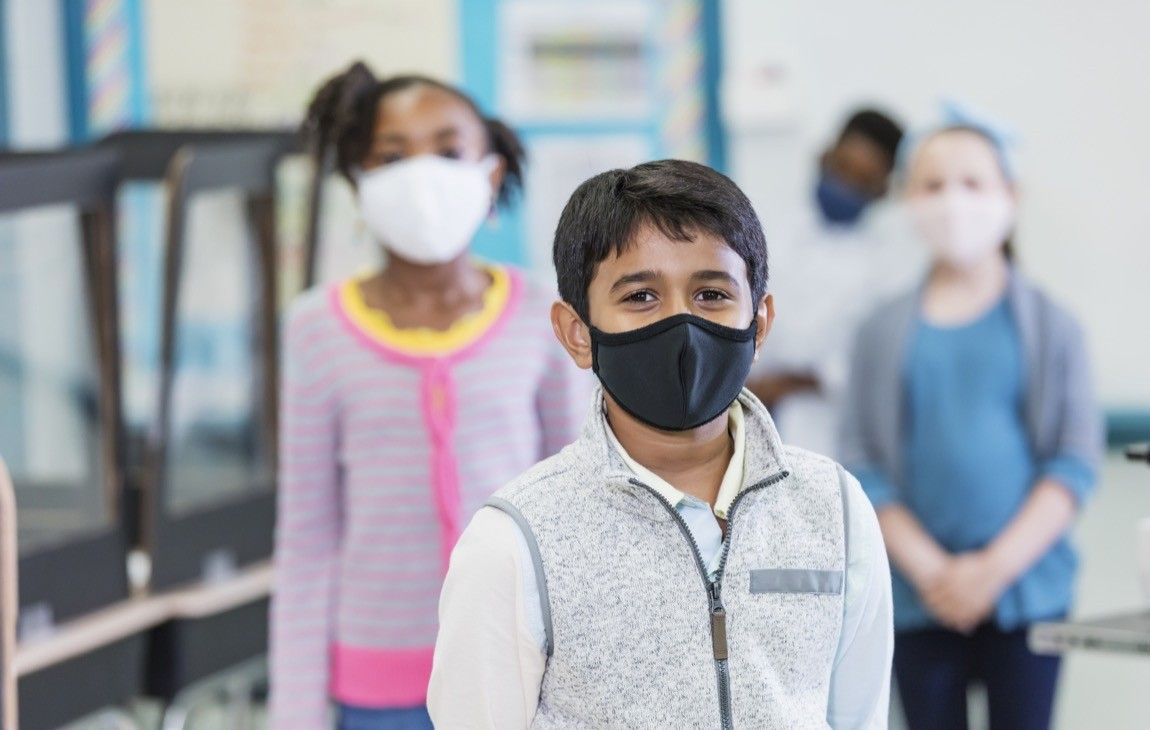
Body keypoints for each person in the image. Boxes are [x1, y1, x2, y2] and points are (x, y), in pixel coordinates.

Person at [429, 159, 893, 728]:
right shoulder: (515, 539)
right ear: (577, 333)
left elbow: (860, 715)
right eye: (641, 297)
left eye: (712, 294)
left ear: (761, 321)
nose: (682, 324)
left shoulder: (834, 508)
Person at [268, 61, 592, 730]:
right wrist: (295, 712)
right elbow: (306, 538)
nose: (424, 173)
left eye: (448, 150)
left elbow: (580, 505)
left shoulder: (542, 315)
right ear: (359, 178)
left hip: (524, 670)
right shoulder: (315, 330)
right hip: (376, 685)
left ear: (491, 172)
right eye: (393, 155)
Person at [839, 109, 1104, 730]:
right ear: (907, 197)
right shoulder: (879, 331)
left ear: (1011, 197)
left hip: (1028, 592)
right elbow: (862, 461)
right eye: (933, 185)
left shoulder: (1053, 327)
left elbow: (1073, 464)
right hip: (915, 596)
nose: (953, 201)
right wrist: (935, 573)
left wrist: (991, 570)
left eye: (974, 183)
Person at [749, 108, 923, 456]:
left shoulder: (891, 267)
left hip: (824, 429)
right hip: (743, 403)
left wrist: (786, 384)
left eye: (863, 179)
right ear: (824, 157)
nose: (846, 185)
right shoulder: (766, 226)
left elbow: (870, 361)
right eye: (842, 168)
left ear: (883, 190)